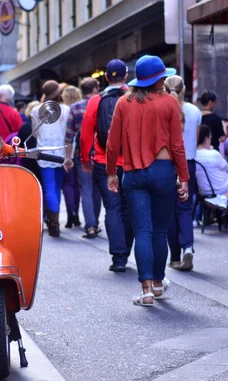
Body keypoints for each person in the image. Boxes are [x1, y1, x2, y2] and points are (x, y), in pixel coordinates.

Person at [106, 55, 188, 306]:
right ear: (158, 78)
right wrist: (184, 177)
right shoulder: (170, 103)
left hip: (134, 174)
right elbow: (177, 144)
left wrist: (111, 172)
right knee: (159, 231)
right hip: (163, 171)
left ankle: (147, 290)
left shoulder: (123, 102)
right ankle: (160, 283)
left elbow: (112, 143)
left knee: (142, 230)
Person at [80, 59, 133, 271]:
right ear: (126, 76)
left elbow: (85, 134)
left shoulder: (96, 100)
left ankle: (119, 258)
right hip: (132, 162)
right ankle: (126, 251)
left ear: (106, 77)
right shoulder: (134, 97)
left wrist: (85, 160)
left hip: (104, 163)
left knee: (113, 208)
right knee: (128, 209)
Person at [164, 75, 201, 271]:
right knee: (185, 208)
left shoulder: (162, 109)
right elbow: (193, 140)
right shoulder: (194, 111)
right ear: (184, 89)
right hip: (189, 163)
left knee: (170, 211)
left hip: (168, 164)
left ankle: (175, 257)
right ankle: (188, 246)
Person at [64, 78, 102, 238]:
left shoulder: (75, 108)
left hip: (82, 153)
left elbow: (69, 136)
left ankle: (90, 225)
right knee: (98, 189)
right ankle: (96, 222)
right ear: (94, 90)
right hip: (100, 153)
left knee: (85, 189)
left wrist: (68, 157)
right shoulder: (102, 104)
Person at [31, 80, 69, 237]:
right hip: (62, 153)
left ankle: (54, 223)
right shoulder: (66, 109)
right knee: (57, 188)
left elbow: (34, 133)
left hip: (44, 152)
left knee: (49, 188)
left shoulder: (35, 110)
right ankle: (56, 220)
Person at [195, 124, 228, 233]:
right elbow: (227, 168)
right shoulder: (213, 154)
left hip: (203, 190)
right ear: (207, 137)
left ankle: (226, 206)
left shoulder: (193, 155)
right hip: (220, 188)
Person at [60, 85, 83, 228]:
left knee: (67, 185)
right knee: (77, 185)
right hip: (78, 150)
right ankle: (77, 214)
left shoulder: (62, 111)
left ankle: (70, 214)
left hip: (64, 150)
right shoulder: (81, 109)